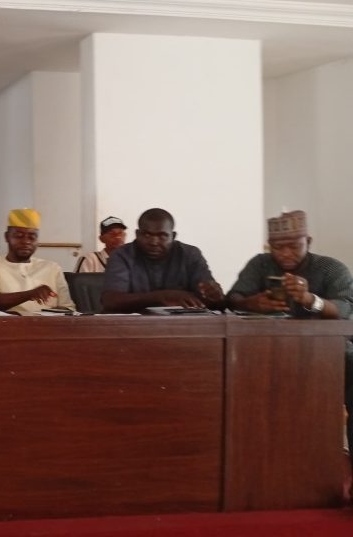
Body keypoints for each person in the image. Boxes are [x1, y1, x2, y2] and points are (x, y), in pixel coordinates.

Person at [225, 210, 353, 502]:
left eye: (293, 246)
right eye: (277, 247)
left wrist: (310, 300)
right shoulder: (260, 264)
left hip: (329, 352)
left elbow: (346, 309)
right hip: (270, 350)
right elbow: (232, 298)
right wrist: (252, 303)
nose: (284, 253)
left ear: (308, 241)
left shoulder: (330, 268)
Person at [101, 208, 224, 313]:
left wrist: (213, 294)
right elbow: (111, 301)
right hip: (132, 327)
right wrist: (162, 297)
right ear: (137, 234)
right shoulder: (122, 255)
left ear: (173, 236)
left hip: (182, 326)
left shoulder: (190, 254)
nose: (154, 242)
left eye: (162, 236)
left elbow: (209, 298)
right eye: (147, 235)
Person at [0, 209, 74, 313]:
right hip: (7, 323)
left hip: (48, 323)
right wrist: (29, 294)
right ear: (7, 237)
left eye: (32, 237)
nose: (26, 241)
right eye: (19, 236)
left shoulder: (53, 268)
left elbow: (68, 308)